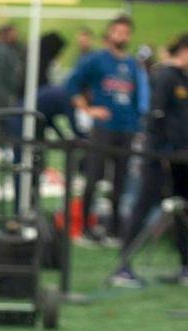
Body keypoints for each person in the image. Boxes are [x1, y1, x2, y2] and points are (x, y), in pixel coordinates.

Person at [110, 33, 188, 287]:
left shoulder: (183, 79)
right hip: (159, 158)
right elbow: (155, 118)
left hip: (180, 158)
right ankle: (123, 267)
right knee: (143, 208)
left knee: (182, 211)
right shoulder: (165, 77)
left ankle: (186, 267)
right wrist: (161, 152)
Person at [68, 15, 148, 243]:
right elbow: (72, 85)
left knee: (121, 182)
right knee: (93, 177)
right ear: (110, 33)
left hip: (127, 129)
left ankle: (114, 229)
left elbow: (136, 98)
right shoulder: (97, 60)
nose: (121, 36)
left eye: (125, 32)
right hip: (103, 128)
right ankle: (84, 228)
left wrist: (136, 123)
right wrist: (89, 109)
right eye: (117, 31)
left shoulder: (132, 64)